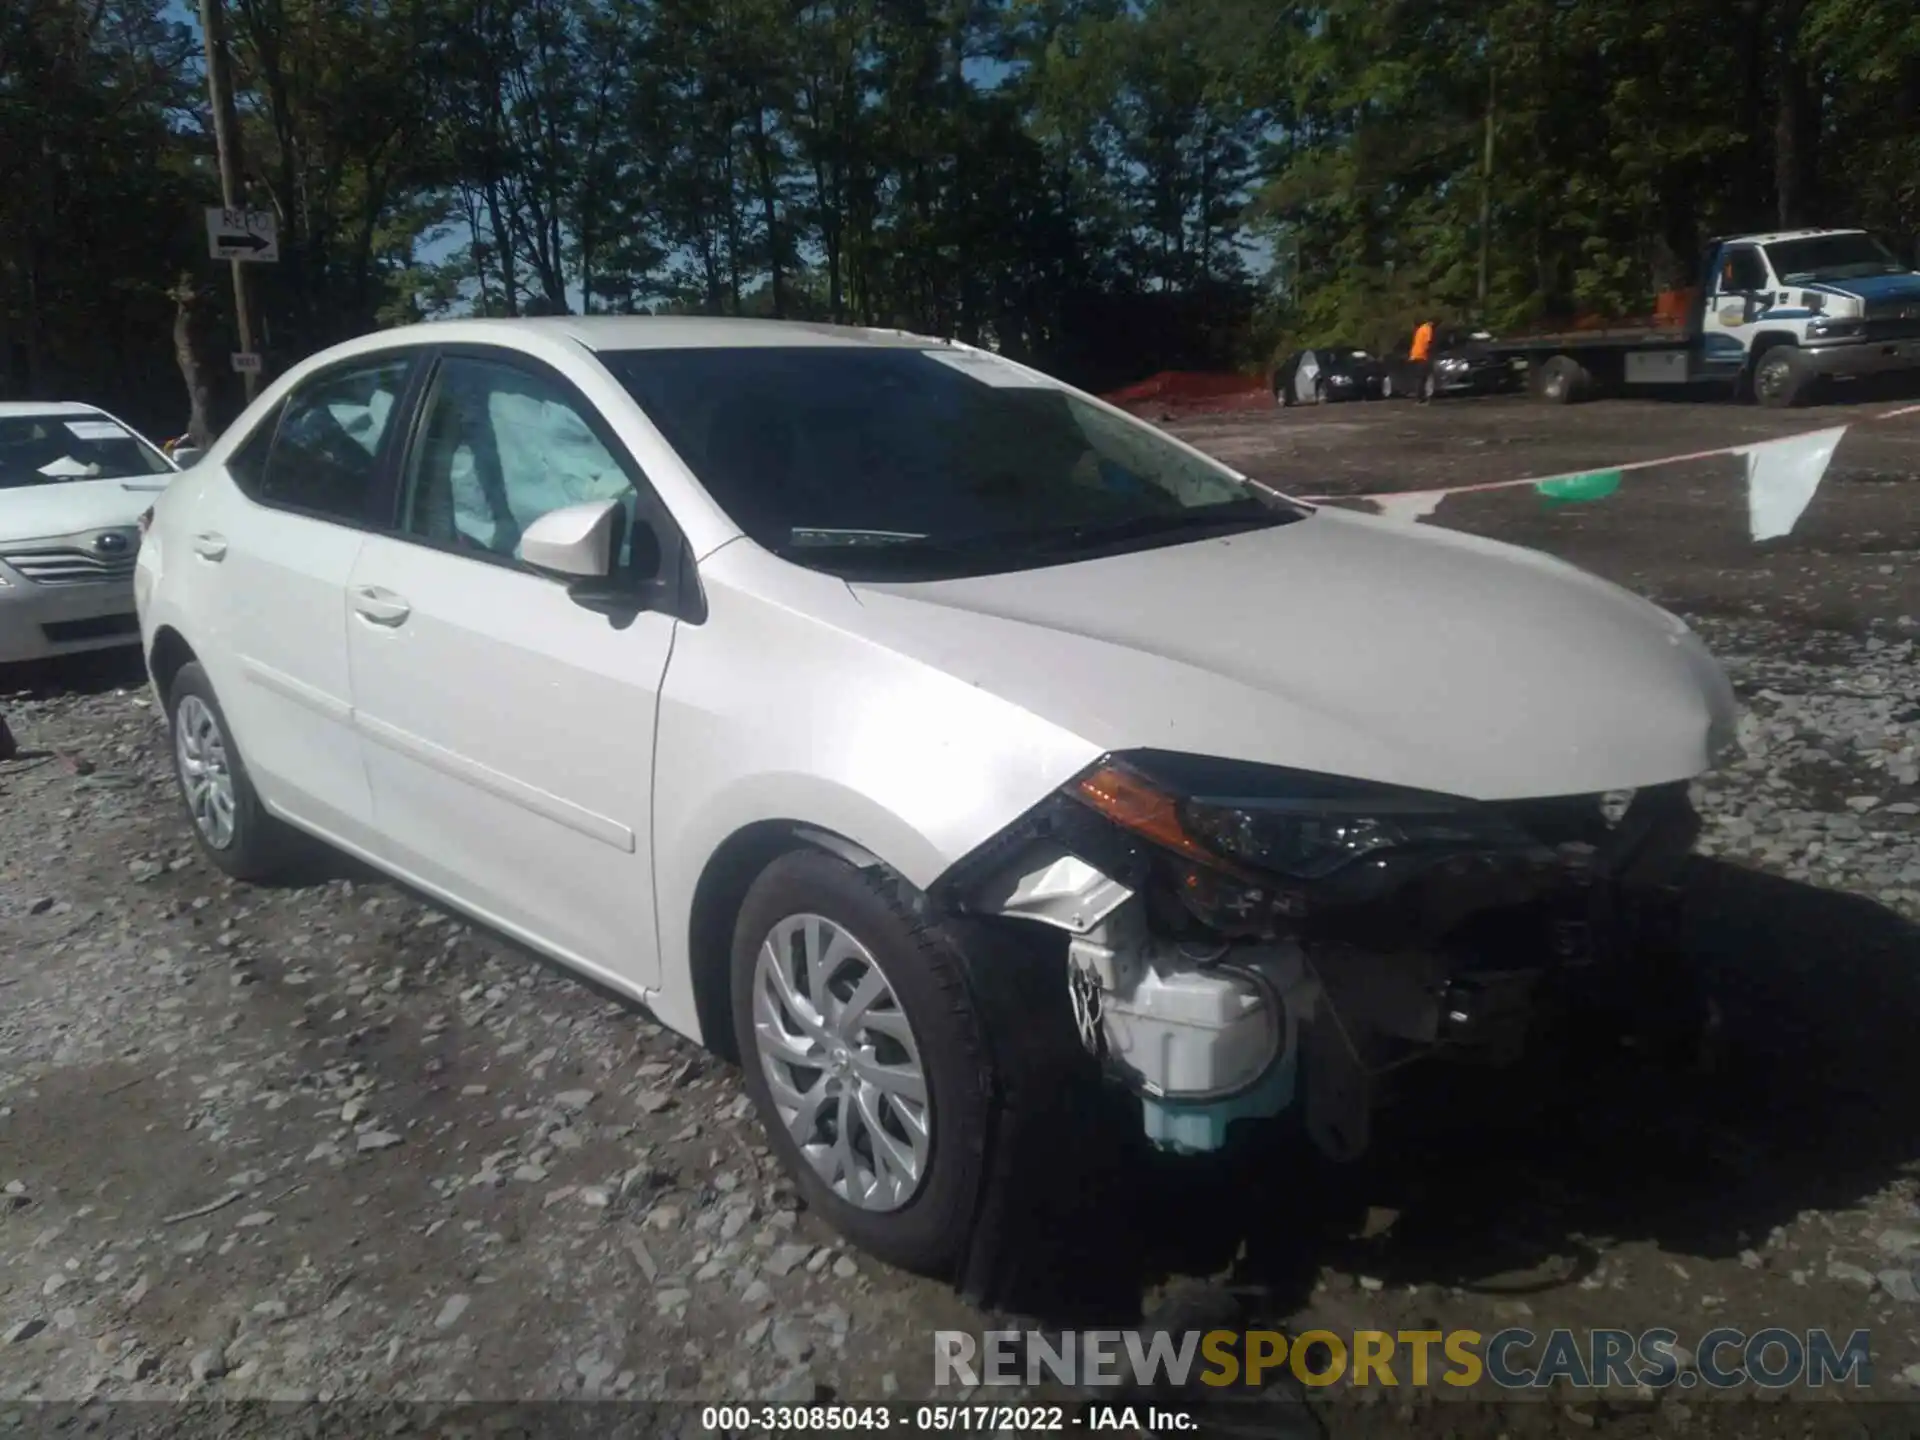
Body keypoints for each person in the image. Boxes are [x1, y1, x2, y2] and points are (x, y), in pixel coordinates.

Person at [1409, 318, 1436, 403]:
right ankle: (1422, 397)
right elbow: (1428, 342)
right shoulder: (1428, 328)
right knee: (1423, 378)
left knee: (1419, 377)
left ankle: (1419, 396)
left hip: (1415, 355)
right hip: (1422, 355)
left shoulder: (1420, 329)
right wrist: (1430, 353)